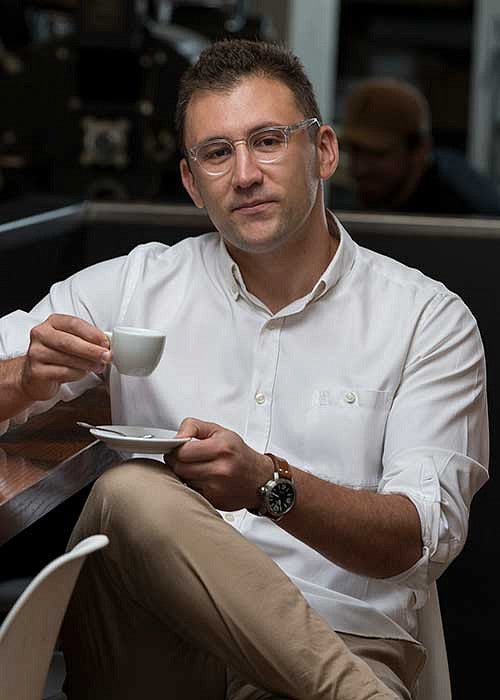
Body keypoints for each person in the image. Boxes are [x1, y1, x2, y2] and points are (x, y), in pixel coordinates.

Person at [0, 40, 489, 700]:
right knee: (130, 495)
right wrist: (28, 377)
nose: (245, 174)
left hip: (338, 638)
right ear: (191, 181)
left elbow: (415, 538)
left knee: (130, 491)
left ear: (323, 152)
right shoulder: (140, 285)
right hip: (158, 647)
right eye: (217, 153)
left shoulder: (427, 319)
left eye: (267, 141)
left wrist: (270, 485)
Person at [338, 76, 500, 216]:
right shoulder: (380, 191)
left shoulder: (468, 212)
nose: (360, 168)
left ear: (420, 150)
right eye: (354, 151)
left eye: (378, 154)